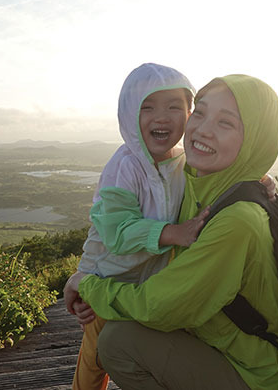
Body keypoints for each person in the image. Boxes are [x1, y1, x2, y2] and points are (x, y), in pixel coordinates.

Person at [74, 74, 278, 389]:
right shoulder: (201, 184)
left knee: (118, 344)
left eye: (226, 123)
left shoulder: (239, 221)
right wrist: (259, 175)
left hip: (254, 375)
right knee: (115, 336)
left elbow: (159, 308)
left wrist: (89, 287)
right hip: (221, 346)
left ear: (256, 140)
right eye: (200, 113)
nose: (203, 129)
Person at [63, 63, 210, 390]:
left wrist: (259, 178)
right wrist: (174, 234)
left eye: (174, 106)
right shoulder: (124, 166)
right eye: (148, 107)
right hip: (107, 277)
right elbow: (118, 233)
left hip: (146, 281)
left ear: (190, 112)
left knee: (132, 349)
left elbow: (216, 176)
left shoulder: (182, 161)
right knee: (95, 360)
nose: (162, 116)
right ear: (129, 114)